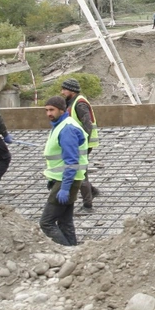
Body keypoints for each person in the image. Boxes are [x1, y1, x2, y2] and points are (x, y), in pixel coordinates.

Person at [40, 95, 87, 247]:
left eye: (52, 110)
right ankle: (74, 252)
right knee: (65, 222)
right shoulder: (60, 125)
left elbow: (72, 161)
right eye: (46, 110)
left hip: (67, 180)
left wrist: (65, 187)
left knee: (46, 223)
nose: (48, 114)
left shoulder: (67, 129)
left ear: (62, 110)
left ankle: (67, 252)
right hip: (62, 179)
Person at [59, 77, 101, 212]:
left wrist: (81, 143)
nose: (62, 92)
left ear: (72, 90)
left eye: (64, 89)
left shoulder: (79, 104)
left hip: (83, 142)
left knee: (80, 172)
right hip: (77, 141)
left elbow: (87, 125)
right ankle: (92, 191)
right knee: (80, 170)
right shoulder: (72, 101)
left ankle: (88, 205)